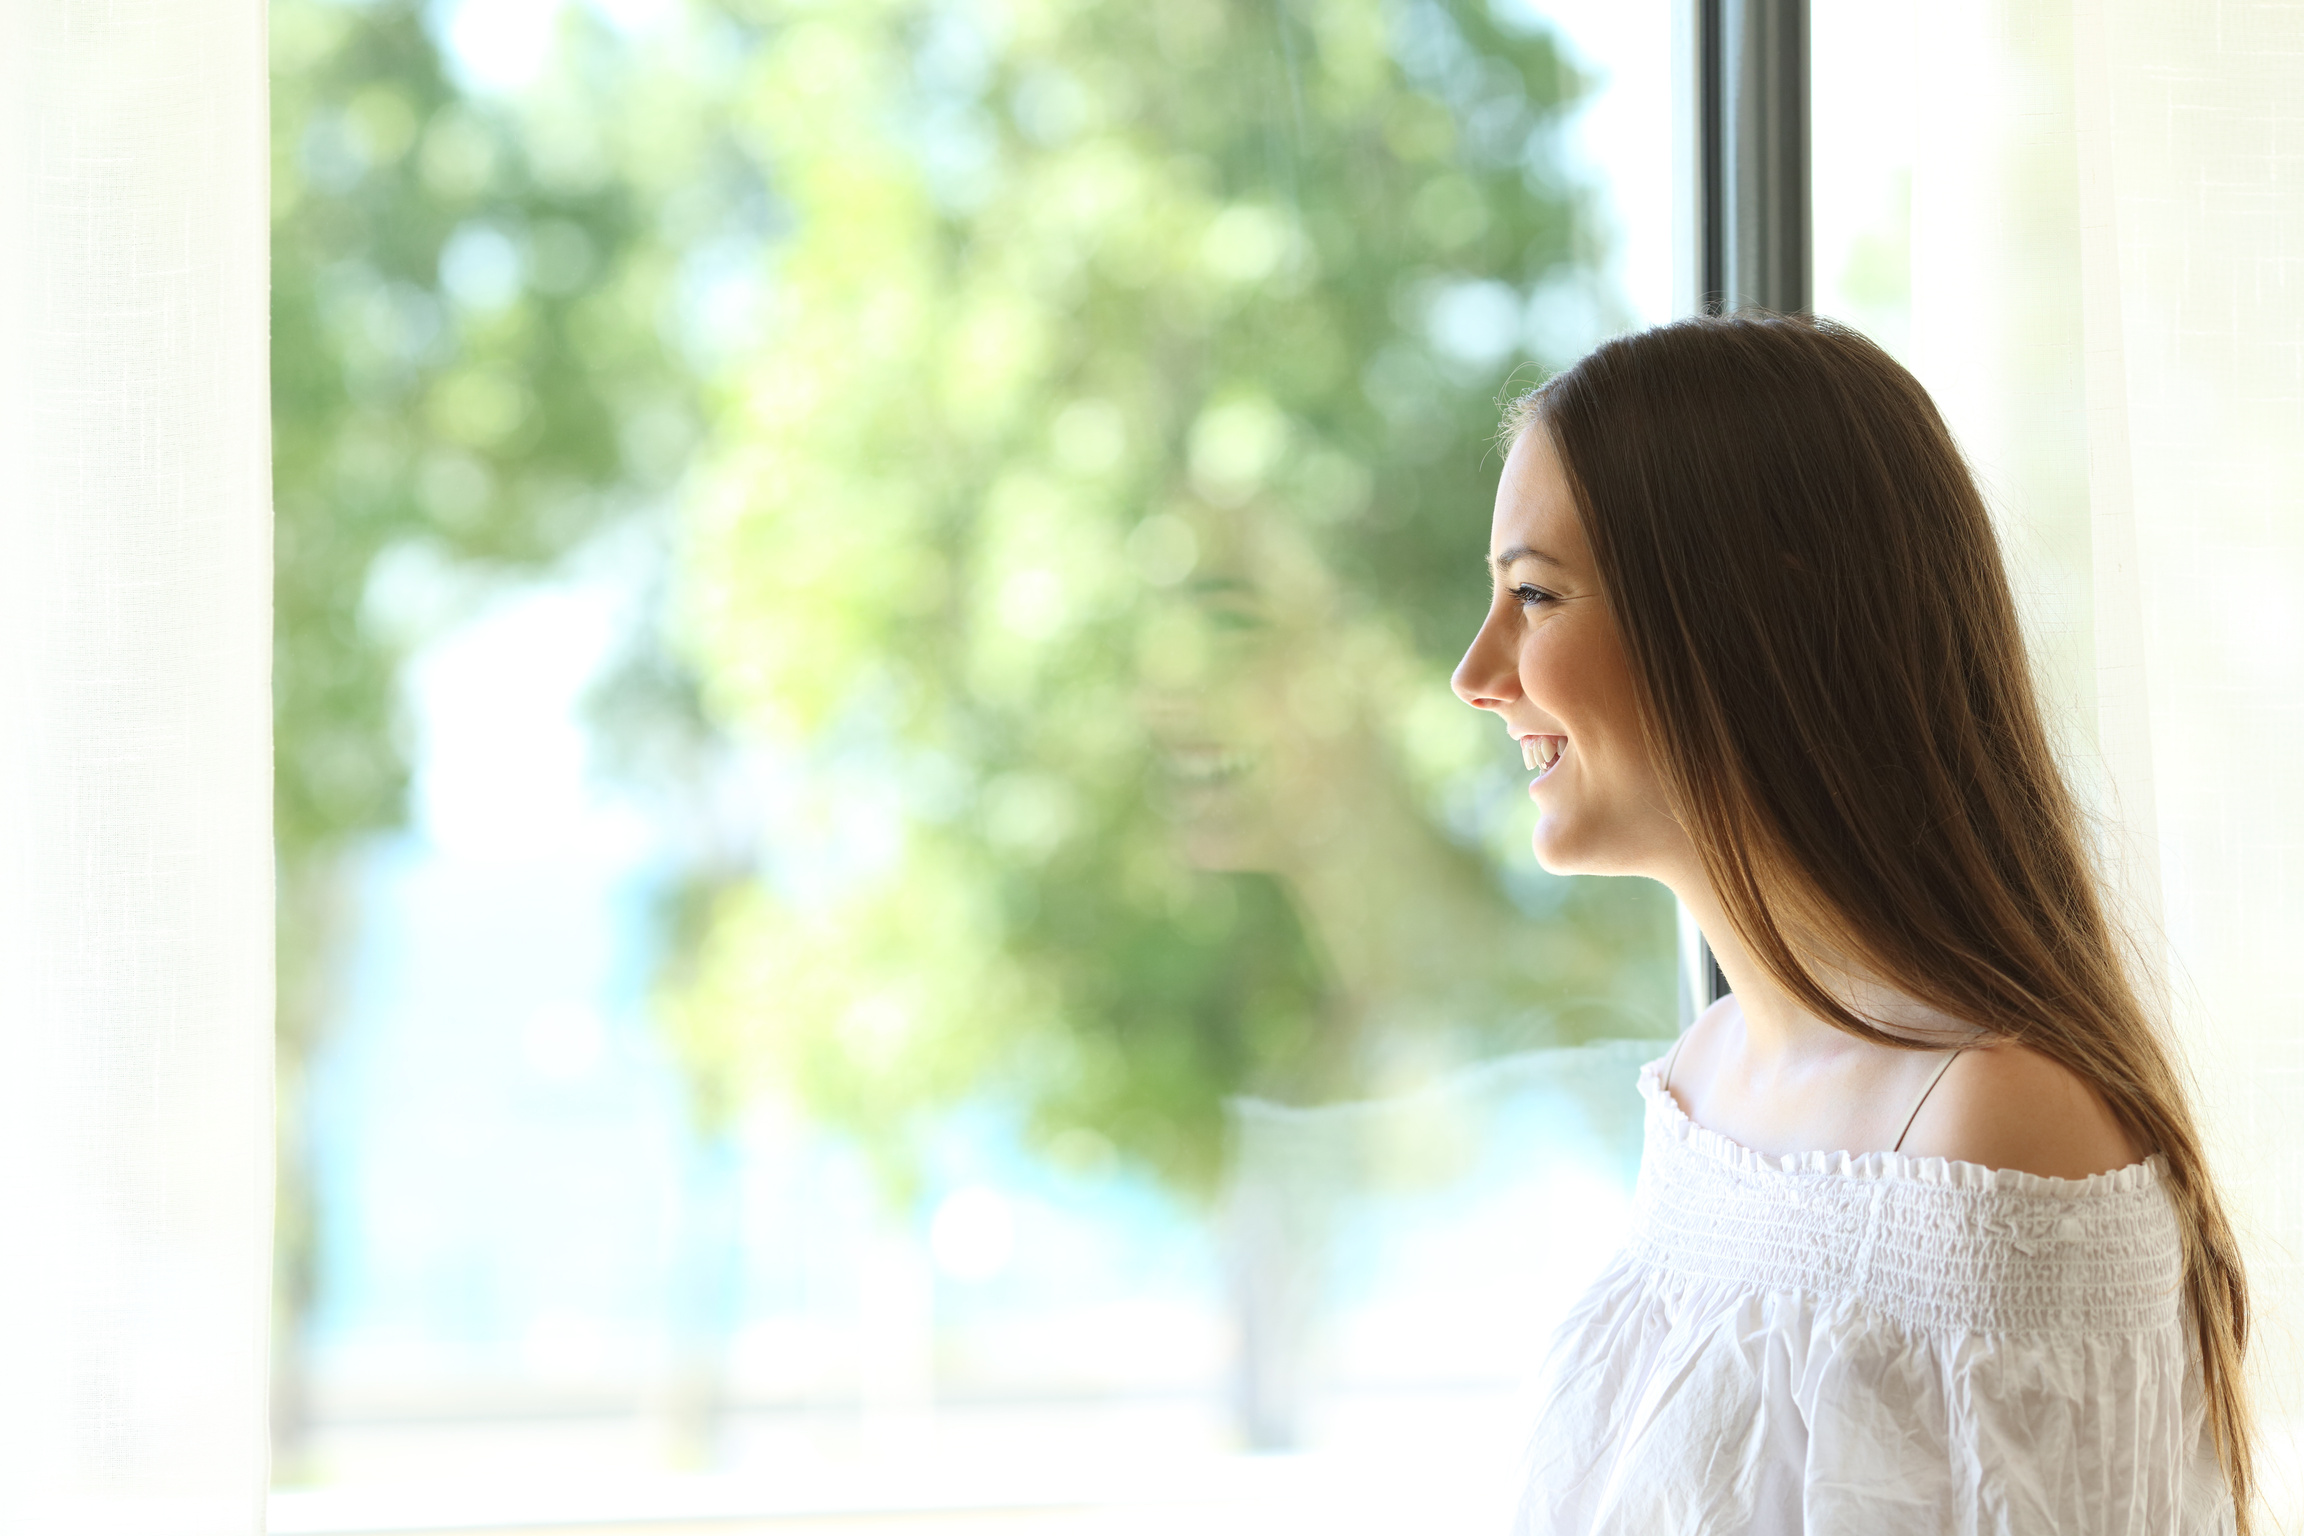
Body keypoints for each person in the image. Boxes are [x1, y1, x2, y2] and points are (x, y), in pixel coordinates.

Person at [1451, 314, 2252, 1534]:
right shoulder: (1705, 1083)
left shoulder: (1992, 1136)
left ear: (1748, 620)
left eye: (1535, 595)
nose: (1478, 669)